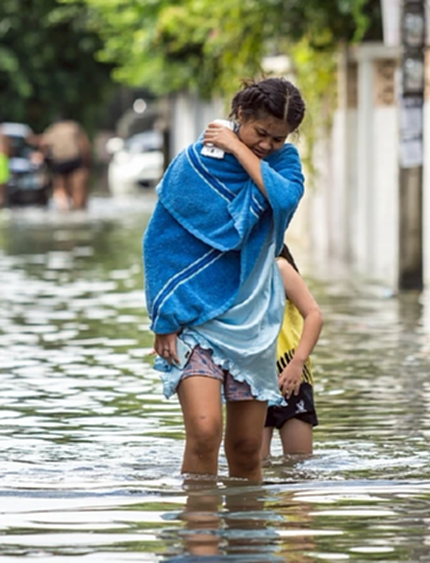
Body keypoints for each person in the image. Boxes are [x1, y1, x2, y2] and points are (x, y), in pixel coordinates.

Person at [143, 77, 307, 483]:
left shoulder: (284, 164)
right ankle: (198, 522)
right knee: (204, 432)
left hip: (253, 322)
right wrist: (164, 316)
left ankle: (247, 524)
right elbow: (160, 243)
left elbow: (284, 198)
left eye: (278, 138)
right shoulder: (195, 162)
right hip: (195, 316)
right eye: (260, 132)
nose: (268, 144)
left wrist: (237, 146)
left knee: (247, 448)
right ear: (241, 115)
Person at [261, 245, 323, 458]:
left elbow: (314, 315)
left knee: (299, 462)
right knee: (254, 463)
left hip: (290, 371)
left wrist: (297, 362)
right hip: (252, 375)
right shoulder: (238, 271)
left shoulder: (279, 268)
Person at [40, 119, 90, 210]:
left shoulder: (52, 129)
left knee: (61, 190)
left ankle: (64, 210)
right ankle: (78, 209)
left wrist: (44, 158)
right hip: (74, 160)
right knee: (78, 191)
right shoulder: (74, 127)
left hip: (59, 161)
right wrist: (86, 163)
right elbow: (84, 145)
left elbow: (43, 143)